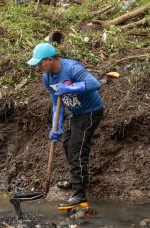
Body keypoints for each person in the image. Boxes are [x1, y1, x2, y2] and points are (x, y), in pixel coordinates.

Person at [27, 42, 104, 209]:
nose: (39, 66)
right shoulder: (47, 77)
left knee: (77, 149)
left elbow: (94, 84)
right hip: (75, 114)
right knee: (68, 145)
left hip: (91, 112)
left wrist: (71, 88)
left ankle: (79, 195)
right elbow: (57, 103)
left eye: (40, 63)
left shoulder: (71, 68)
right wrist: (57, 126)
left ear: (50, 59)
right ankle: (77, 180)